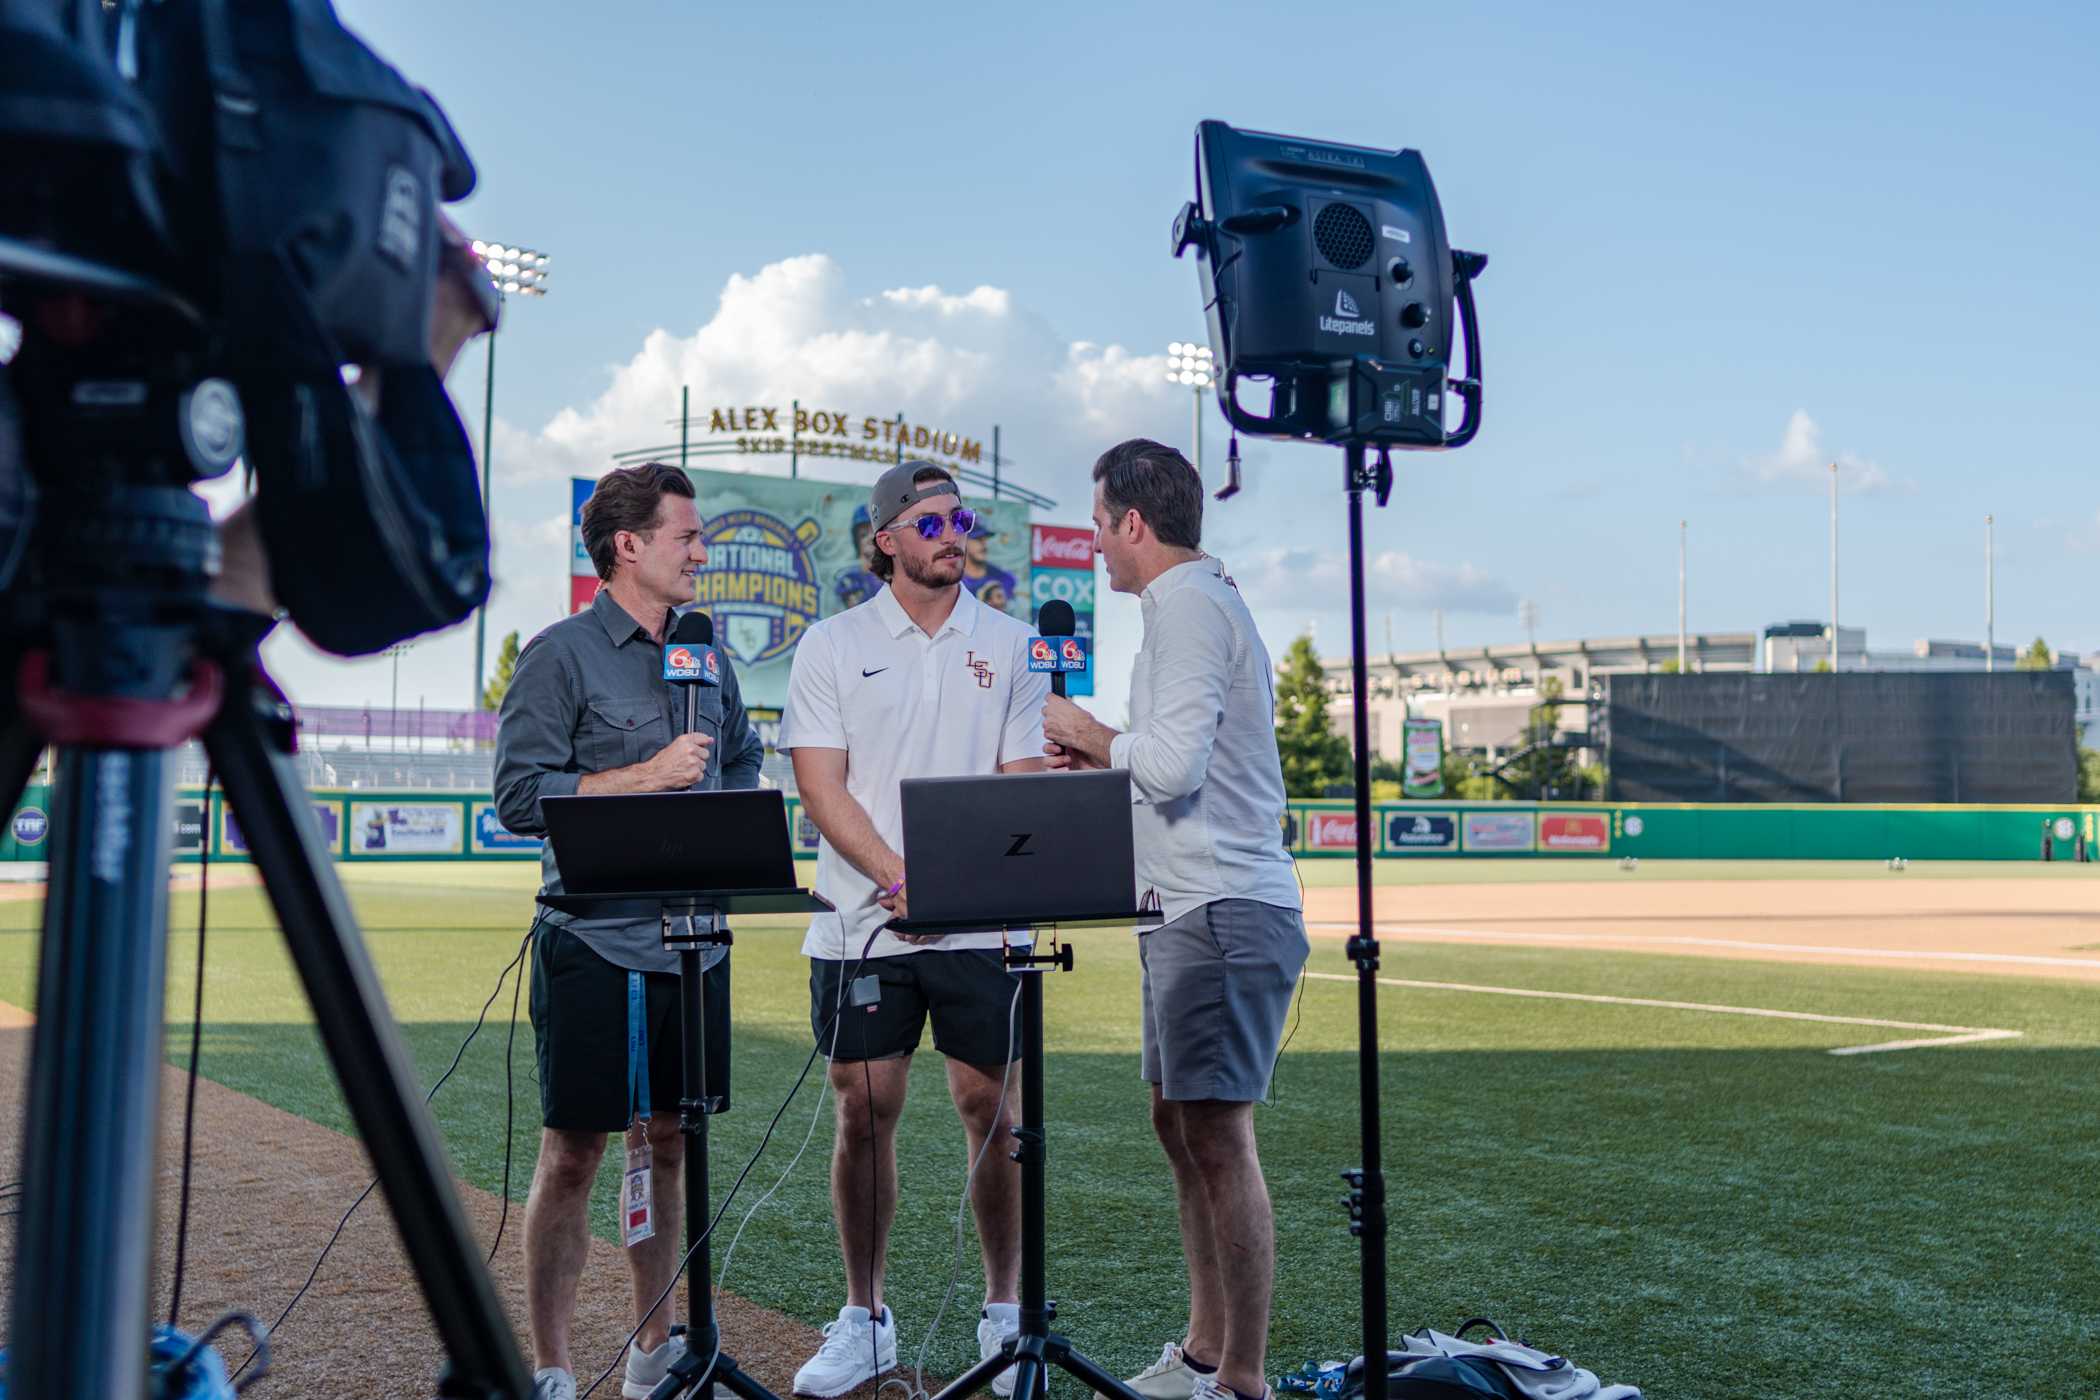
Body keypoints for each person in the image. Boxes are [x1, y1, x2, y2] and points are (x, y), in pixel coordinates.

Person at [1040, 439, 1307, 1400]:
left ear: (1133, 524)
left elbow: (1170, 768)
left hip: (1221, 910)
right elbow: (1160, 768)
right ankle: (1205, 1351)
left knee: (1217, 1134)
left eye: (1099, 521)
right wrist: (1105, 755)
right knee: (1180, 1123)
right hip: (1190, 909)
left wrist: (1089, 735)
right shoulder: (1185, 606)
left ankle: (1239, 1376)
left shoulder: (1189, 606)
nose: (1096, 543)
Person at [493, 462, 766, 1400]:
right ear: (629, 545)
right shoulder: (558, 654)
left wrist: (716, 814)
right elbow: (520, 798)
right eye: (688, 537)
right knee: (575, 1151)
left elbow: (740, 760)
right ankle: (554, 1368)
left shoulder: (707, 652)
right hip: (592, 939)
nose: (703, 553)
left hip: (694, 939)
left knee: (672, 1139)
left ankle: (655, 1351)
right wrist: (642, 778)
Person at [777, 459, 1050, 1399]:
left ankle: (1005, 1315)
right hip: (866, 921)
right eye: (930, 523)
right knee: (864, 1110)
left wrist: (958, 884)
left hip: (980, 923)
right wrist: (905, 880)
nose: (953, 535)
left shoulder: (1012, 643)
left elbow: (1020, 779)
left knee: (994, 1114)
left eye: (961, 520)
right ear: (885, 539)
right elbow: (821, 786)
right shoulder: (830, 643)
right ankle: (866, 1316)